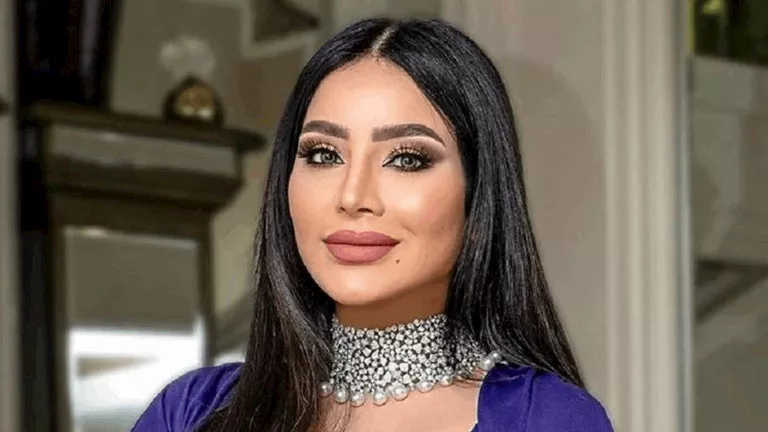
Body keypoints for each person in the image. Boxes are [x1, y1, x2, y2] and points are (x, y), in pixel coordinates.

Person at [133, 17, 613, 432]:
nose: (352, 196)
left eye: (406, 159)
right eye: (324, 154)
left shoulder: (544, 418)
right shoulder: (192, 413)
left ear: (478, 195)